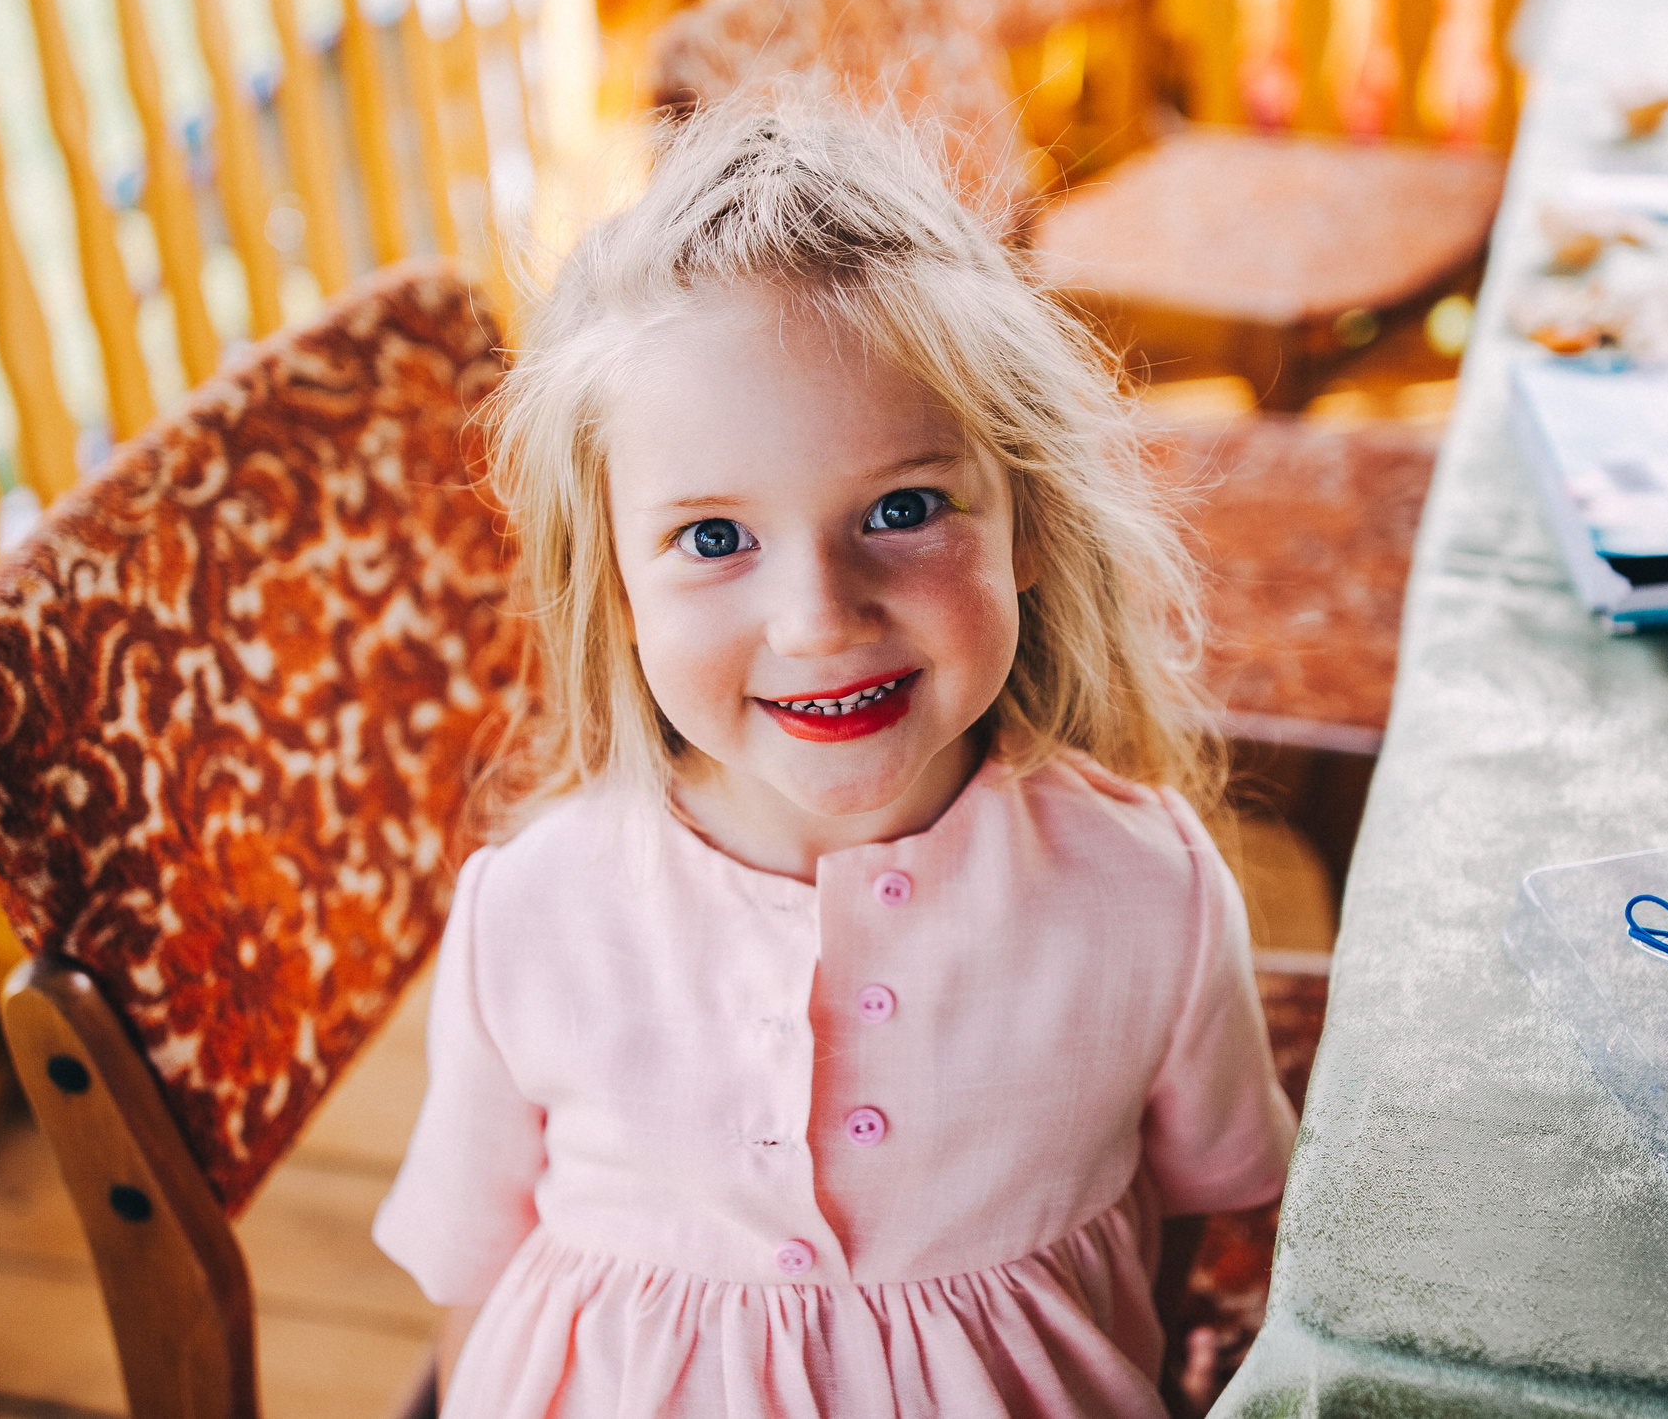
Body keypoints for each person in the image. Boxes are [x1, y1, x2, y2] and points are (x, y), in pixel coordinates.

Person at [373, 91, 1296, 1418]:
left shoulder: (1146, 894)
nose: (819, 617)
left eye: (902, 510)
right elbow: (478, 1273)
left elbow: (1185, 1223)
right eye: (711, 538)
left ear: (1024, 521)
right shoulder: (533, 913)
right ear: (616, 588)